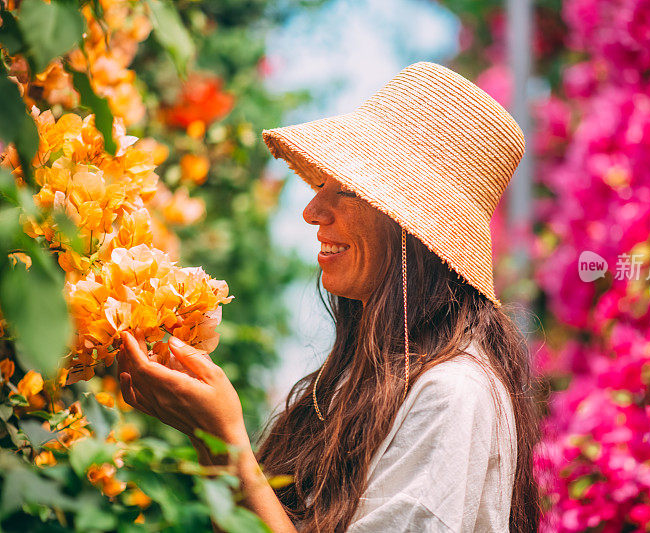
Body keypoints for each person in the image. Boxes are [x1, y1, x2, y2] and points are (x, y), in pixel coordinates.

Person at [117, 61, 541, 532]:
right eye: (322, 184)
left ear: (410, 227)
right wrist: (211, 441)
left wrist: (227, 444)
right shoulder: (357, 381)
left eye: (349, 190)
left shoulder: (451, 395)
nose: (312, 210)